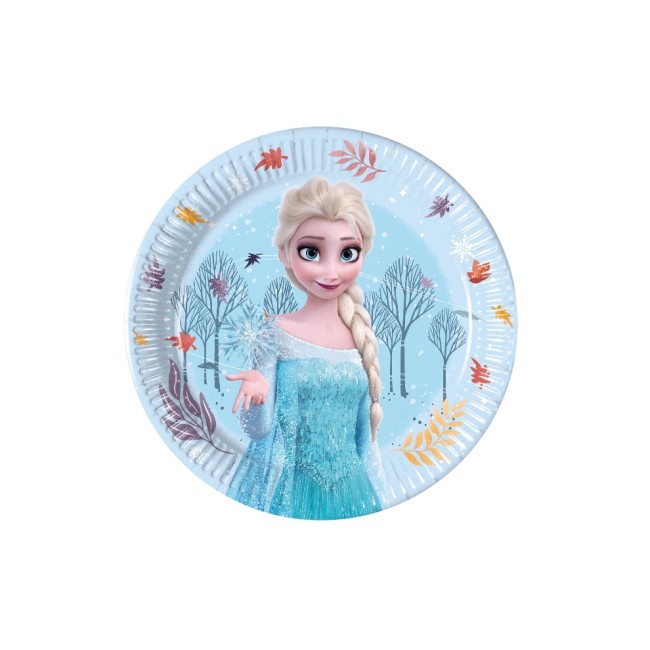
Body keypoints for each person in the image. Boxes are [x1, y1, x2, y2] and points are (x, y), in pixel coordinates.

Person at [225, 176, 383, 519]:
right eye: (311, 252)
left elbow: (365, 443)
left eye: (348, 253)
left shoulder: (361, 339)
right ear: (285, 253)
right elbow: (258, 431)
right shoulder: (276, 333)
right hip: (291, 489)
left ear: (363, 253)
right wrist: (257, 397)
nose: (331, 271)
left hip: (353, 492)